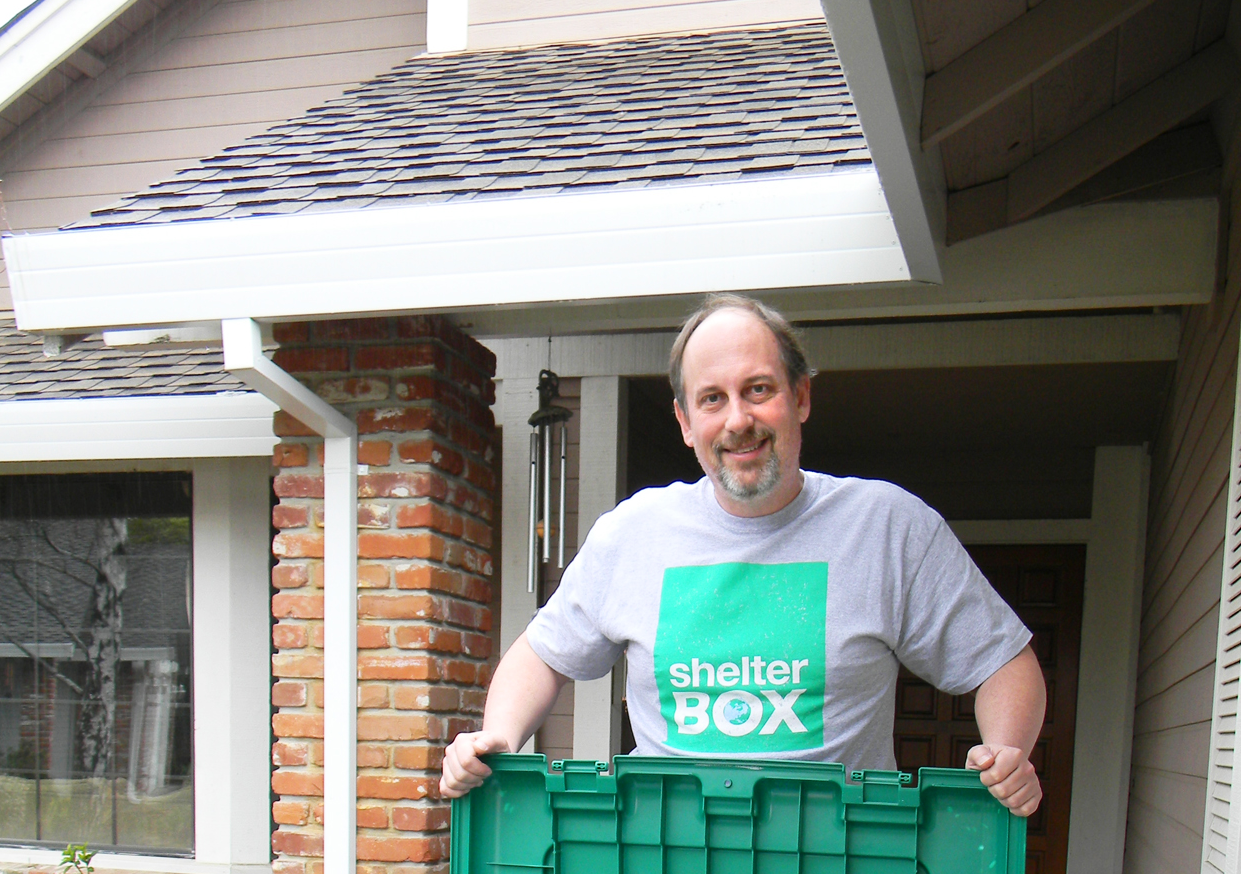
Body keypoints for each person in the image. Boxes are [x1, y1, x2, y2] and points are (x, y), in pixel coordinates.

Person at [440, 293, 1045, 812]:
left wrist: (1006, 754)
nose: (738, 420)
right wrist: (498, 736)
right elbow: (540, 654)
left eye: (758, 390)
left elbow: (1003, 662)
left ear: (800, 397)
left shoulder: (889, 527)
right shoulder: (632, 533)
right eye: (712, 399)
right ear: (684, 421)